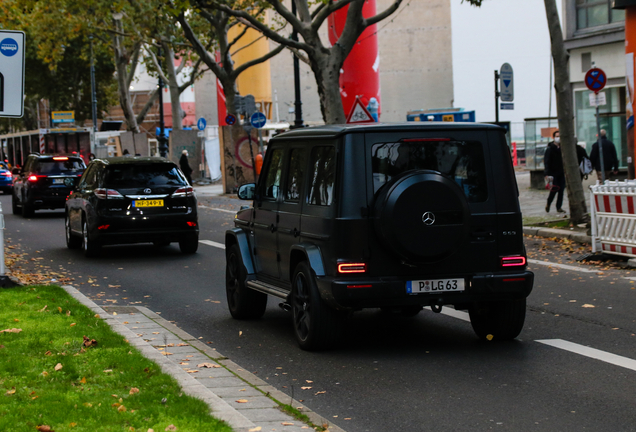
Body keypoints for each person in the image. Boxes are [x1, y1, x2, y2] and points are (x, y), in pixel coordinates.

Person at [544, 130, 566, 213]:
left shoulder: (562, 148)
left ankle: (559, 207)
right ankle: (548, 203)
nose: (558, 138)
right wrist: (547, 173)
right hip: (553, 173)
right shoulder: (550, 149)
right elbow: (547, 161)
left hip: (561, 172)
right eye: (557, 136)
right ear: (554, 137)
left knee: (561, 191)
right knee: (554, 190)